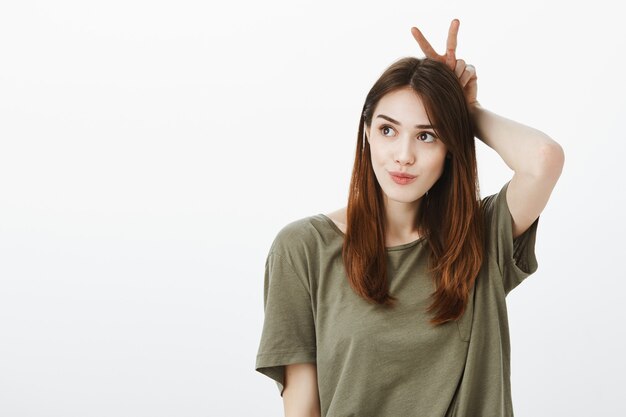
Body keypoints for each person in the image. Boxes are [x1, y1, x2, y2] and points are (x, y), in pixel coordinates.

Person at [255, 18, 564, 417]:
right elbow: (302, 406)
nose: (403, 154)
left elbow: (543, 159)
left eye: (427, 135)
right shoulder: (303, 248)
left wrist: (465, 110)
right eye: (388, 130)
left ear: (450, 147)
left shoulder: (480, 237)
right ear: (366, 132)